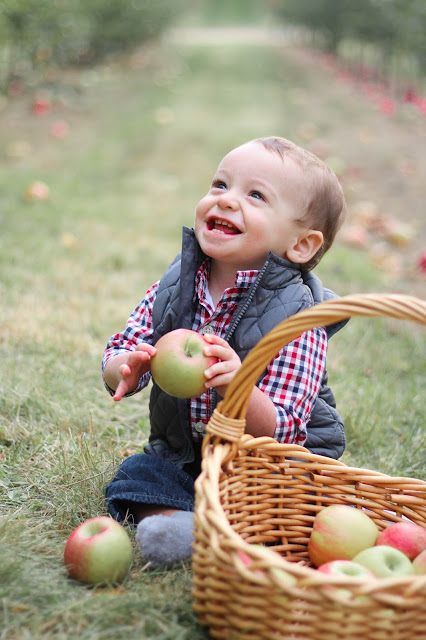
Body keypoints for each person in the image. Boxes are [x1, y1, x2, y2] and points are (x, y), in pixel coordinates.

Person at [102, 136, 348, 568]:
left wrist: (238, 388)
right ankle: (188, 528)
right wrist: (125, 367)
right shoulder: (178, 283)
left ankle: (226, 531)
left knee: (291, 508)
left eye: (255, 195)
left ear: (301, 245)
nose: (227, 201)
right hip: (188, 458)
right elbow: (123, 348)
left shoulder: (300, 319)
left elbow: (285, 428)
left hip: (267, 473)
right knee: (136, 475)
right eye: (220, 185)